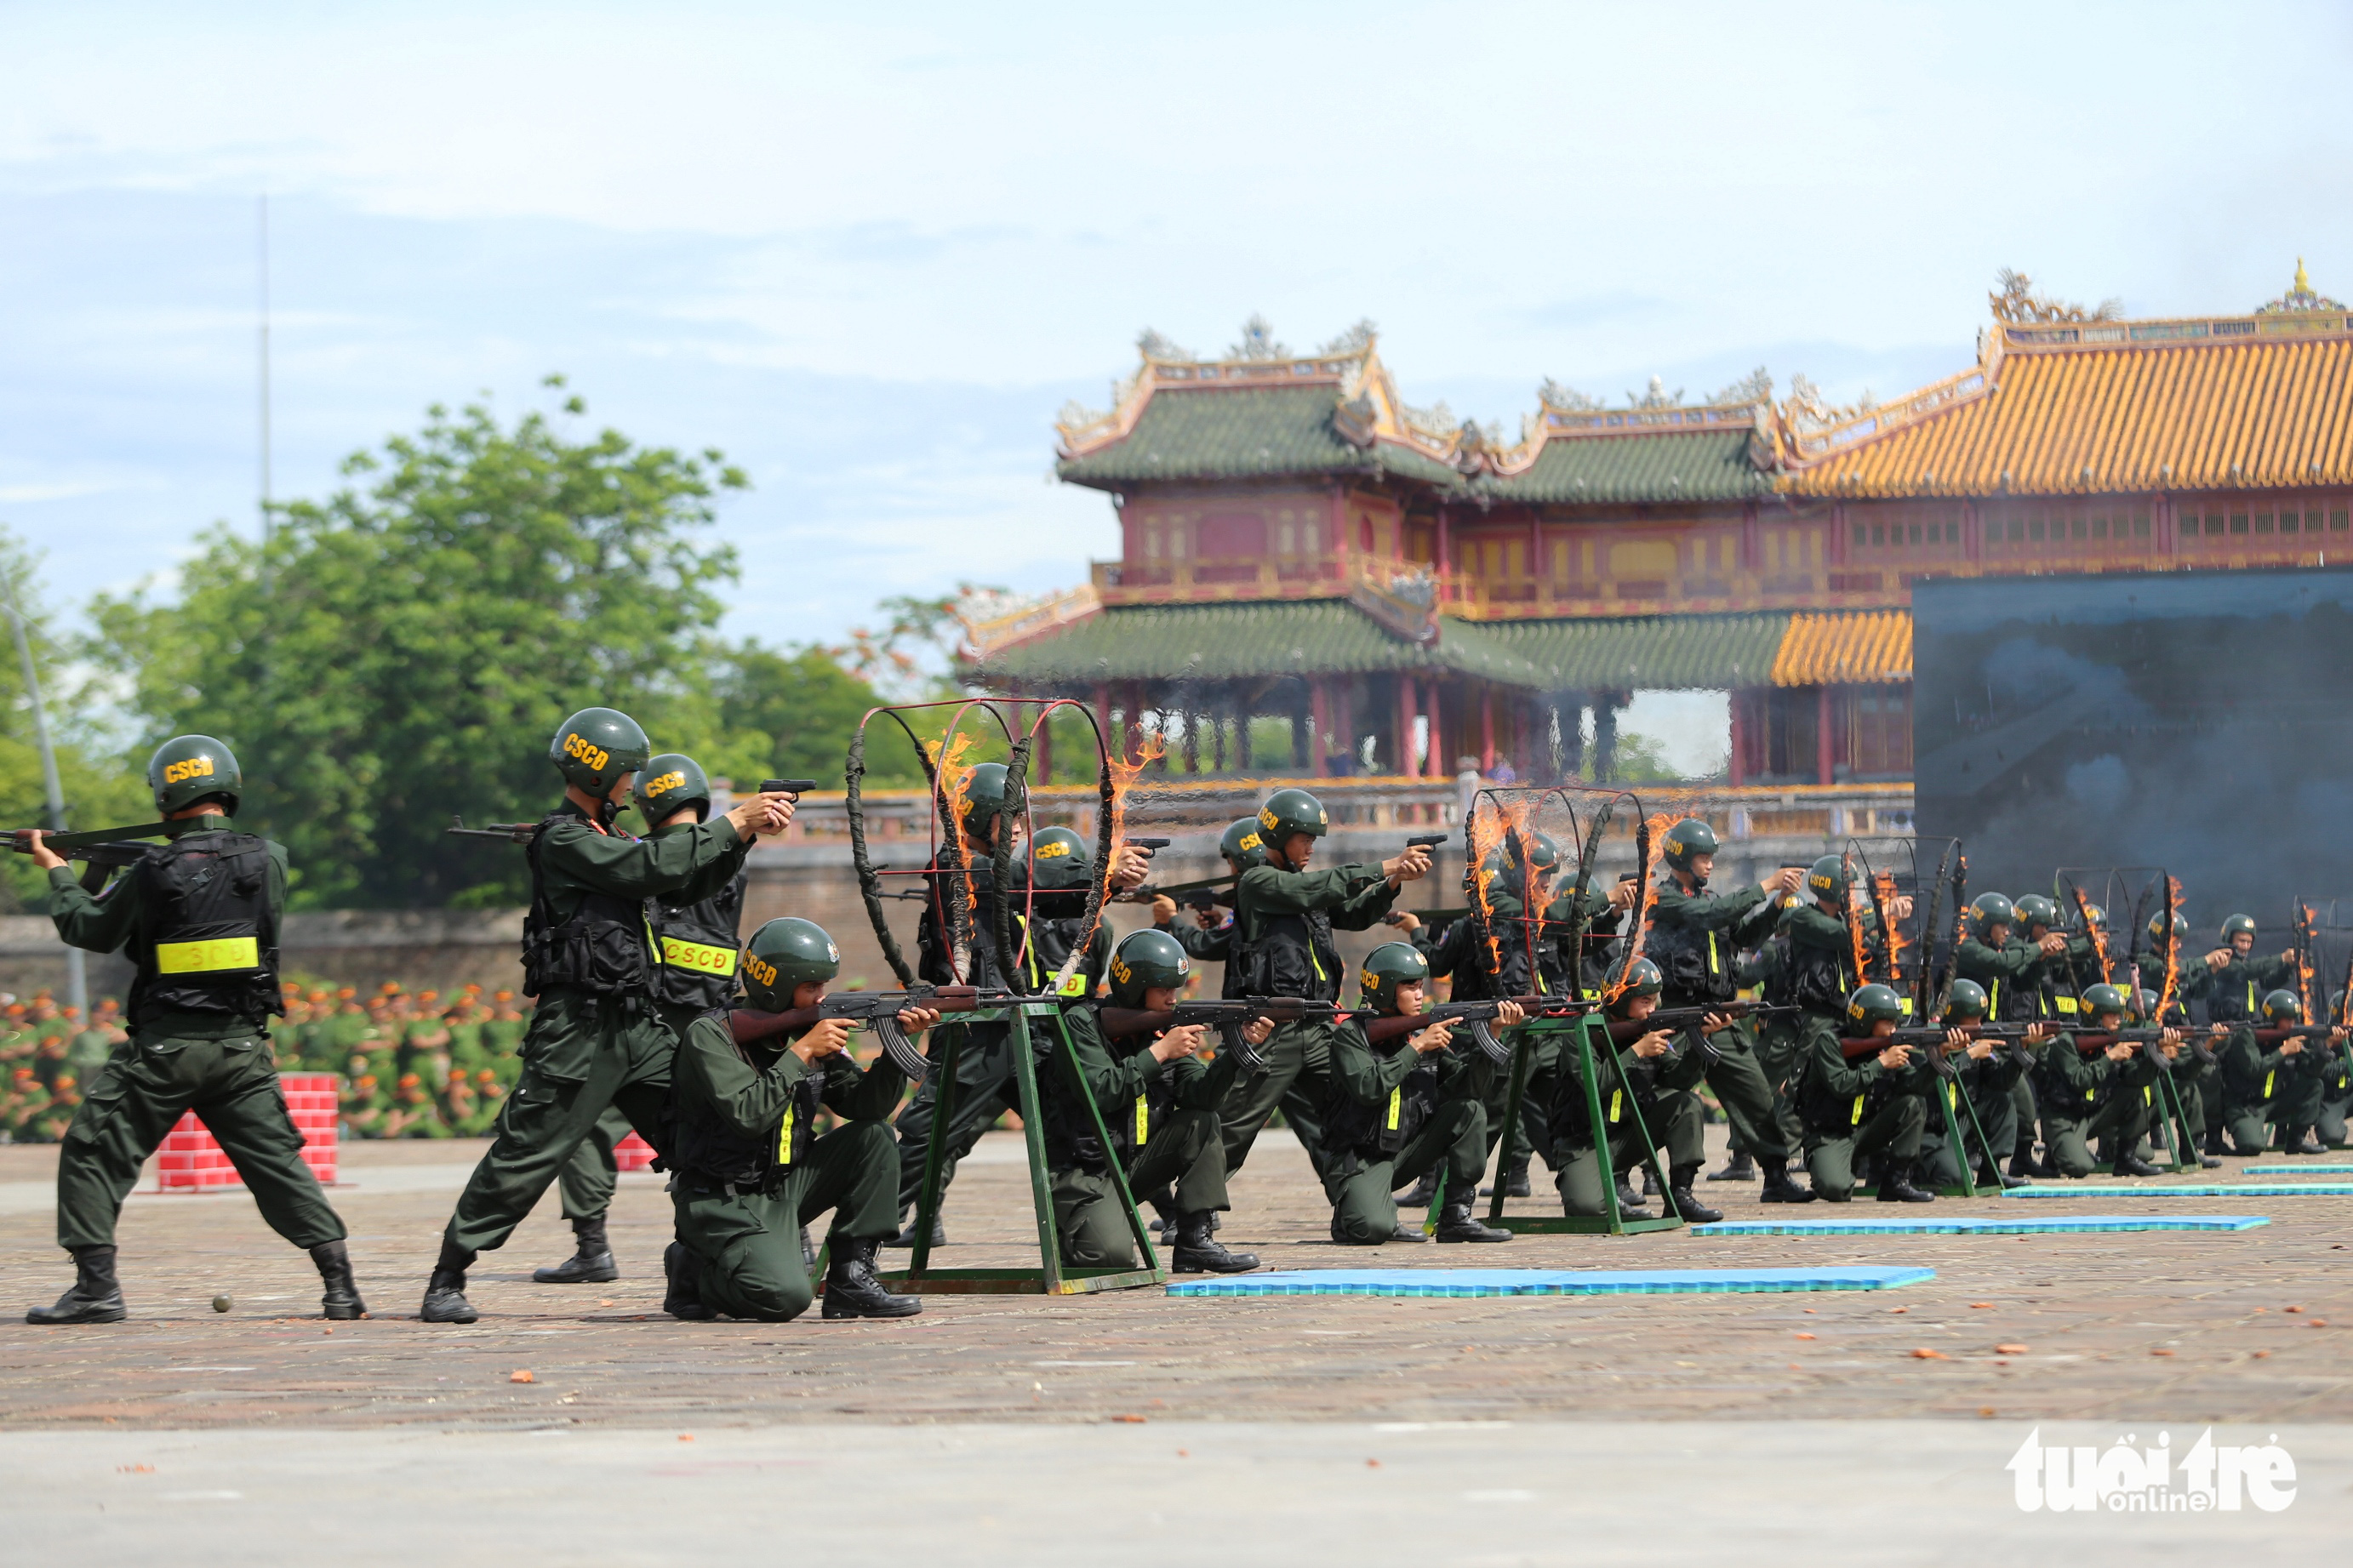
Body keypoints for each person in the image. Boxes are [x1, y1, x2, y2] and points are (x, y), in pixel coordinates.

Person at [420, 709, 794, 1323]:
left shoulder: (612, 835)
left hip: (640, 1025)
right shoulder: (565, 840)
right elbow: (652, 868)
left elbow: (680, 885)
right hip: (579, 1030)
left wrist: (743, 837)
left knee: (703, 1134)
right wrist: (733, 820)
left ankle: (696, 1268)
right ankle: (448, 1276)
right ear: (600, 772)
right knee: (527, 1154)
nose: (633, 786)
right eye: (627, 774)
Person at [24, 736, 364, 1324]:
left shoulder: (154, 869)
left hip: (165, 1051)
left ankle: (96, 1289)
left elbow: (90, 929)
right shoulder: (271, 858)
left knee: (91, 1150)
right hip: (242, 1047)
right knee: (278, 1166)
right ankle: (341, 1285)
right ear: (229, 787)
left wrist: (60, 871)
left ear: (164, 793)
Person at [887, 794, 1145, 1246]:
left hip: (1020, 1024)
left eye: (1018, 817)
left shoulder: (998, 873)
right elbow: (1023, 879)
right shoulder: (957, 865)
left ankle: (1090, 1231)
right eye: (1004, 818)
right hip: (978, 1031)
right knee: (929, 1137)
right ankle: (861, 1237)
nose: (1018, 827)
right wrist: (1103, 870)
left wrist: (1110, 883)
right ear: (974, 820)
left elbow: (1052, 898)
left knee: (1070, 1125)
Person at [534, 753, 747, 1286]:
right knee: (718, 1129)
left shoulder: (650, 856)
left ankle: (591, 1247)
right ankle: (778, 1232)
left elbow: (643, 875)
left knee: (586, 1123)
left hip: (649, 1012)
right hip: (714, 1012)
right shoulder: (724, 854)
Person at [664, 917, 926, 1322]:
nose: (822, 997)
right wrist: (801, 1052)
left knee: (874, 1137)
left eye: (824, 986)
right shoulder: (710, 1036)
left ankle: (851, 1281)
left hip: (784, 1187)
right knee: (783, 1297)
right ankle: (694, 1272)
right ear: (777, 986)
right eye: (811, 987)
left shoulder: (807, 1029)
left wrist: (898, 1047)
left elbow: (865, 1107)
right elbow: (749, 1116)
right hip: (721, 1199)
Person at [1219, 789, 1428, 1187]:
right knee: (1234, 1125)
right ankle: (1195, 1212)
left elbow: (1353, 914)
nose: (1311, 848)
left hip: (1317, 1027)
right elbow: (1312, 889)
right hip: (1272, 1029)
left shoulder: (1308, 885)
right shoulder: (1257, 881)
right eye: (1304, 839)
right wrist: (1386, 864)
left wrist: (1393, 881)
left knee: (1346, 1111)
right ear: (1279, 837)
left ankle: (1356, 1201)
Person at [1059, 929, 1260, 1271]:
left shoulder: (1162, 1030)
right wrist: (1161, 1052)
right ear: (1135, 987)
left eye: (1175, 990)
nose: (1172, 999)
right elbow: (1102, 1092)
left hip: (1136, 1166)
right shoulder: (1082, 1022)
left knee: (1200, 1121)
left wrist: (1235, 1049)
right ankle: (1080, 1226)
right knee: (1109, 1259)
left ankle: (1195, 1241)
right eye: (1164, 990)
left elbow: (1202, 1097)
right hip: (1089, 1172)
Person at [1640, 820, 1808, 1202]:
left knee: (1755, 1093)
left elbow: (1745, 936)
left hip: (1719, 1017)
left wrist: (1777, 902)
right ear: (1682, 858)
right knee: (1663, 1096)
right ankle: (1640, 1175)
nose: (1710, 865)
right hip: (1679, 1017)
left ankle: (1776, 1175)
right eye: (1703, 857)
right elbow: (1712, 916)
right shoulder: (1663, 899)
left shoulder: (1710, 900)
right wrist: (1766, 885)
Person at [1320, 942, 1512, 1243]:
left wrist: (1494, 1033)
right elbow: (1369, 1088)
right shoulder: (1351, 1035)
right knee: (1373, 1229)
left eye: (1421, 986)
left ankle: (1456, 1216)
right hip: (1359, 1159)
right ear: (1385, 989)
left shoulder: (1420, 1034)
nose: (1420, 994)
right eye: (1410, 987)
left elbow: (1469, 1089)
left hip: (1405, 1153)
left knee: (1469, 1110)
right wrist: (1417, 1047)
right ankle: (1353, 1210)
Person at [1547, 957, 1718, 1221]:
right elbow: (1597, 1084)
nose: (1652, 1009)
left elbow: (1679, 1080)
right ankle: (1612, 1200)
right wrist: (1638, 1051)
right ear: (1621, 999)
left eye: (1655, 1001)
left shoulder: (1647, 1029)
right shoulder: (1581, 1030)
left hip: (1627, 1136)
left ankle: (1681, 1195)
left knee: (1686, 1104)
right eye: (1645, 1001)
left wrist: (1702, 1038)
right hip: (1584, 1141)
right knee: (1587, 1208)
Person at [1954, 893, 2068, 1177]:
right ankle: (1974, 1154)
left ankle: (2020, 1158)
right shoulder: (1969, 948)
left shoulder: (2002, 950)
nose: (2007, 931)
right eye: (2002, 926)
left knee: (2021, 1102)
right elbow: (2001, 964)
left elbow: (2022, 981)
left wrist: (2041, 958)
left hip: (1994, 1037)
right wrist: (2038, 946)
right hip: (1964, 1039)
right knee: (2004, 1096)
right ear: (1986, 926)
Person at [1796, 984, 1935, 1203]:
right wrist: (1881, 1063)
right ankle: (1838, 1164)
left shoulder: (1887, 1047)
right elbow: (1842, 1086)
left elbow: (1913, 1085)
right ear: (1867, 1020)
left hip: (1866, 1130)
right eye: (1888, 1022)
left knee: (1913, 1103)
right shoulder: (1830, 1042)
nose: (1893, 1030)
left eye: (1895, 1023)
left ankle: (1896, 1183)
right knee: (1835, 1189)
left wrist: (1938, 1058)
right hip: (1830, 1133)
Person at [1915, 978, 2034, 1190]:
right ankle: (1918, 1170)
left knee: (2001, 1098)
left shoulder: (1973, 1042)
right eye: (1973, 1021)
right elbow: (1931, 1081)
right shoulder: (1925, 1042)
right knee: (1957, 1180)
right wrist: (1968, 1055)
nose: (1979, 1026)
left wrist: (2020, 1051)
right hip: (1931, 1131)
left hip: (1960, 1122)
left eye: (1980, 1020)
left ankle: (1991, 1171)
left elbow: (2000, 1082)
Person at [2033, 984, 2160, 1178]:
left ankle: (2126, 1159)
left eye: (2120, 1015)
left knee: (2133, 1092)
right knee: (2080, 1167)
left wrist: (2157, 1057)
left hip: (2093, 1112)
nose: (2119, 1020)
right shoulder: (2066, 1042)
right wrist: (2110, 1058)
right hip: (2064, 1117)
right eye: (2112, 1015)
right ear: (2095, 1016)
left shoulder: (2112, 1040)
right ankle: (2055, 1152)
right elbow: (2079, 1080)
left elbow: (2135, 1078)